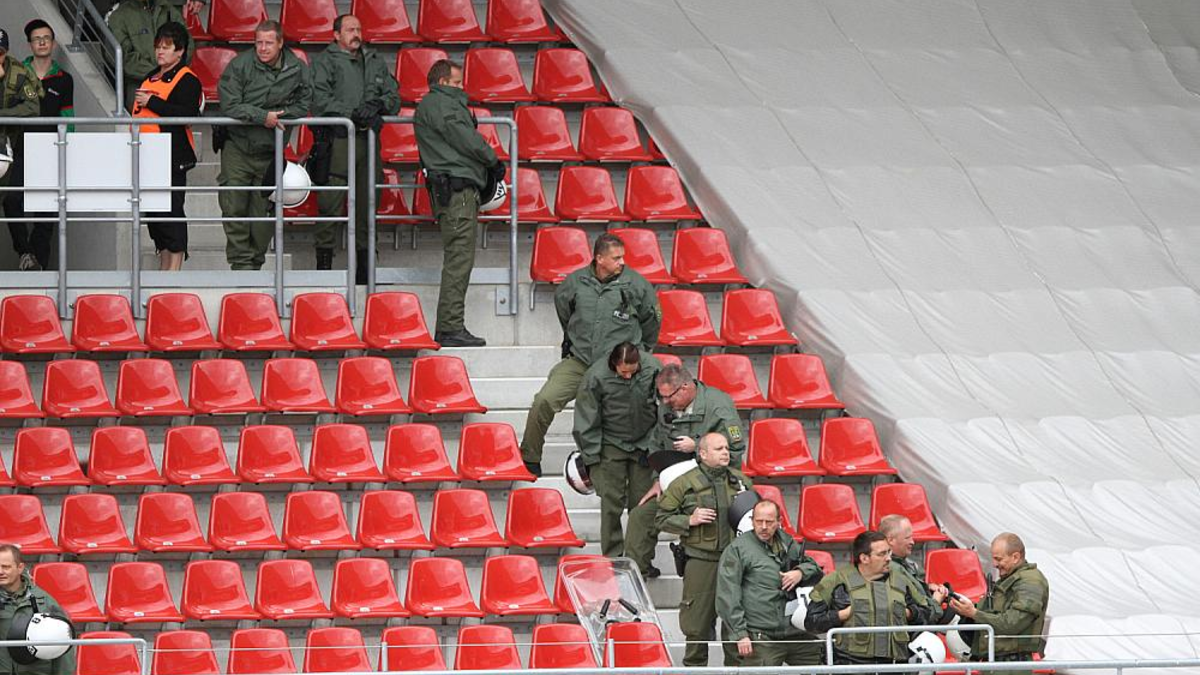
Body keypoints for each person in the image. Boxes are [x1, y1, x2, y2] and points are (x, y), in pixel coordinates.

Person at [520, 232, 660, 475]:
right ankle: (530, 456)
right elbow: (564, 311)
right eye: (616, 258)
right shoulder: (575, 282)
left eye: (622, 257)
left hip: (615, 365)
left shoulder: (637, 284)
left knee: (636, 407)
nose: (622, 262)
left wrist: (638, 353)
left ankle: (641, 457)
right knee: (544, 401)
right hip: (581, 361)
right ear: (599, 259)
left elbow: (652, 321)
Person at [624, 362, 746, 579]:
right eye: (662, 397)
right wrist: (657, 479)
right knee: (640, 516)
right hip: (675, 480)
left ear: (686, 388)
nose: (665, 402)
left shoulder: (718, 407)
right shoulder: (667, 406)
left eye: (670, 396)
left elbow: (734, 452)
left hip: (711, 485)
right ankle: (637, 574)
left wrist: (698, 447)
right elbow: (657, 443)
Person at [413, 59, 503, 348]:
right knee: (459, 260)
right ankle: (450, 327)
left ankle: (450, 326)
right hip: (458, 192)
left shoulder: (434, 105)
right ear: (443, 83)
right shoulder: (444, 104)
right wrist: (492, 159)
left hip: (451, 190)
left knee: (458, 258)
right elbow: (465, 138)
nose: (461, 87)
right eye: (456, 83)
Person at [309, 14, 398, 282]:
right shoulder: (324, 62)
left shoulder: (374, 61)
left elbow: (394, 96)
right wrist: (354, 113)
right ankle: (323, 273)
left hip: (368, 143)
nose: (356, 34)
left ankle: (363, 275)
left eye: (358, 29)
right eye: (350, 29)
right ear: (336, 35)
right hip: (337, 142)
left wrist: (379, 105)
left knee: (367, 204)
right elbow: (319, 99)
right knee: (329, 204)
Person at [217, 20, 311, 271]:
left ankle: (254, 265)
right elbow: (229, 104)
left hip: (270, 150)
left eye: (269, 42)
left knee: (264, 212)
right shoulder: (240, 65)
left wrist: (280, 117)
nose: (263, 48)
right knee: (233, 205)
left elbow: (305, 103)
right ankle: (240, 265)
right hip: (237, 146)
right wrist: (263, 117)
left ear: (280, 43)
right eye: (258, 42)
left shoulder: (297, 68)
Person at [655, 432, 752, 667]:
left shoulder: (741, 481)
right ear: (703, 453)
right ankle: (694, 670)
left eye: (727, 448)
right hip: (701, 561)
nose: (725, 452)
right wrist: (689, 520)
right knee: (697, 626)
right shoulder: (683, 483)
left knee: (735, 625)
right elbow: (661, 518)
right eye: (719, 449)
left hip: (734, 562)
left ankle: (735, 672)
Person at [572, 341, 661, 557]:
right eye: (623, 373)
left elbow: (664, 410)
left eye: (633, 372)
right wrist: (592, 458)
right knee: (611, 503)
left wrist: (656, 448)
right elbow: (586, 419)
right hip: (611, 443)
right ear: (614, 365)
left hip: (644, 443)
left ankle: (641, 559)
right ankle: (613, 557)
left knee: (643, 504)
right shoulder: (596, 376)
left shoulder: (653, 368)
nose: (628, 377)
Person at [717, 500, 826, 667]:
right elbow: (728, 596)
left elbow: (814, 567)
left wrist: (799, 573)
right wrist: (740, 634)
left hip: (794, 630)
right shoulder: (737, 549)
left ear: (778, 522)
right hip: (761, 635)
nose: (763, 526)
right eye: (758, 521)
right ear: (752, 521)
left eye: (769, 522)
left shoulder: (787, 542)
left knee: (826, 659)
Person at [805, 530, 934, 669]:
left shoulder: (902, 579)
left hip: (894, 666)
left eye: (889, 552)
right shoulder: (835, 581)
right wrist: (841, 615)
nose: (888, 558)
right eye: (881, 554)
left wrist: (909, 613)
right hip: (849, 665)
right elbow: (812, 623)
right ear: (864, 558)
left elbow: (927, 613)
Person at [132, 21, 201, 270]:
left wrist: (153, 102)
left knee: (171, 210)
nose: (160, 51)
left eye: (167, 47)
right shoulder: (150, 76)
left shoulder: (187, 79)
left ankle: (174, 269)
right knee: (154, 215)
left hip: (171, 154)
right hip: (146, 154)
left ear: (180, 51)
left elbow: (187, 114)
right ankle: (164, 265)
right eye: (158, 47)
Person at [14, 20, 74, 272]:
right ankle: (25, 253)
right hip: (18, 147)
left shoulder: (64, 79)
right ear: (29, 43)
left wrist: (69, 148)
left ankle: (39, 266)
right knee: (12, 201)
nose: (41, 42)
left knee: (46, 210)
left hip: (50, 150)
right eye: (37, 38)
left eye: (46, 37)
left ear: (53, 42)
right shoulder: (16, 73)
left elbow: (68, 118)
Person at [948, 532, 1050, 674]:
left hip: (1010, 667)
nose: (995, 564)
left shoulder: (1031, 583)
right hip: (996, 663)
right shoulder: (1011, 578)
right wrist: (967, 609)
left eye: (999, 559)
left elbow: (1012, 623)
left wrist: (974, 613)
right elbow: (996, 612)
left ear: (1015, 557)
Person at [0, 28, 44, 272]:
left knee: (12, 198)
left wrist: (2, 116)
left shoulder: (18, 71)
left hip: (9, 146)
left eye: (0, 52)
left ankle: (25, 254)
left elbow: (32, 108)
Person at [0, 543, 76, 675]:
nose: (0, 572)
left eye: (5, 567)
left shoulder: (45, 601)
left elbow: (63, 646)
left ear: (20, 568)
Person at [107, 0, 195, 112]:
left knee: (175, 123)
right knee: (142, 126)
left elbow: (187, 44)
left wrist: (171, 72)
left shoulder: (168, 9)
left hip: (174, 82)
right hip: (139, 84)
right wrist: (157, 74)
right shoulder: (119, 16)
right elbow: (124, 57)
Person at [880, 514, 948, 623]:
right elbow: (922, 615)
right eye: (907, 538)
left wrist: (928, 588)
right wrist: (936, 600)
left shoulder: (907, 565)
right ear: (891, 540)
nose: (913, 542)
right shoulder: (892, 569)